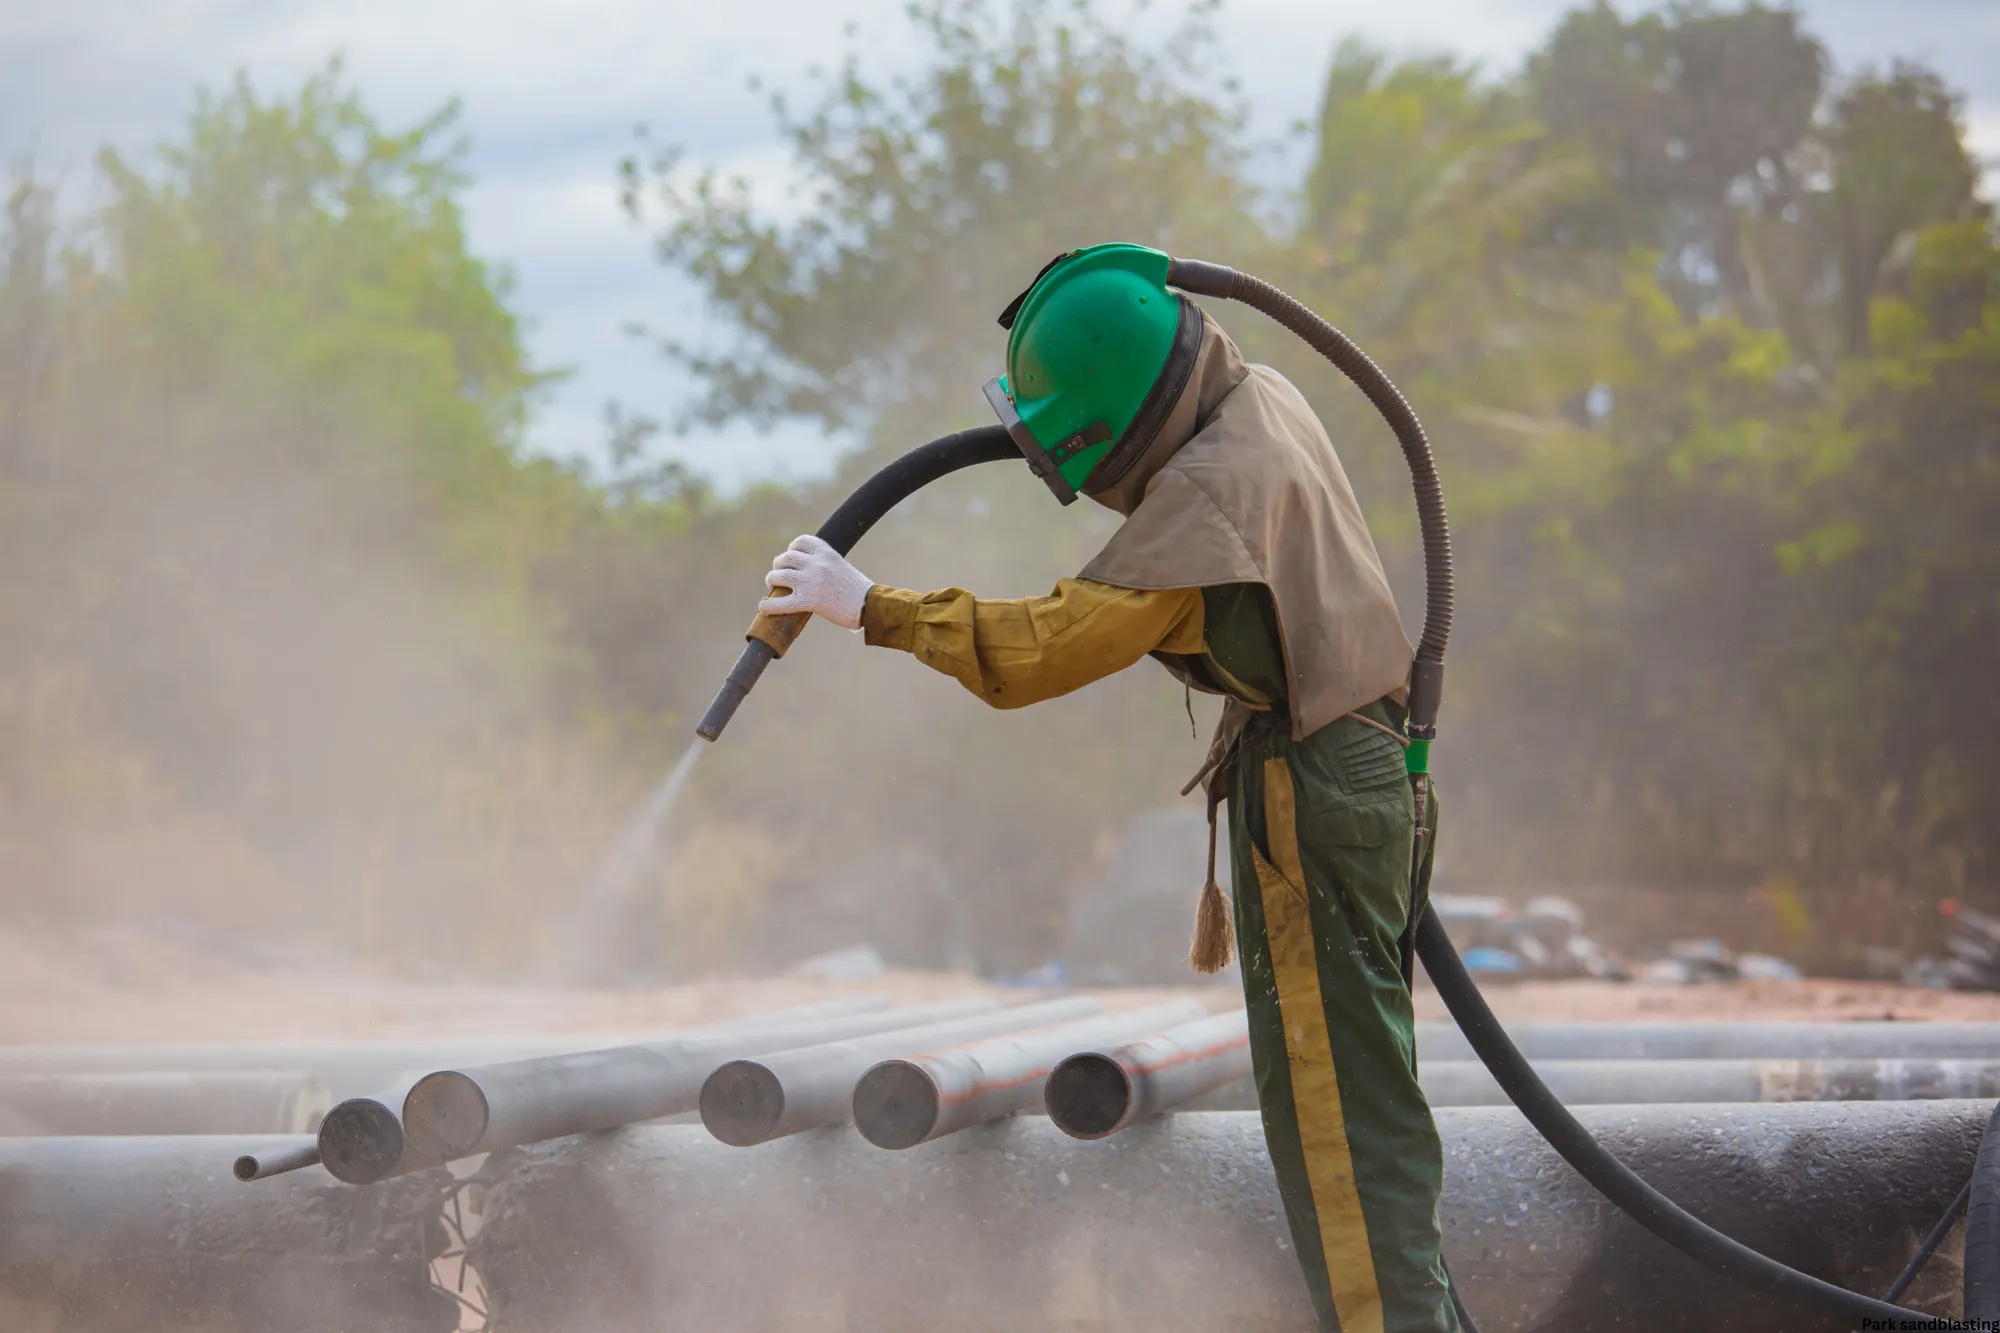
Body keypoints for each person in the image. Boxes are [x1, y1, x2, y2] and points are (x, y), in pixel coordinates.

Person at [757, 243, 1455, 1333]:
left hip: (1315, 788)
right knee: (1365, 1127)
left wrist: (871, 605)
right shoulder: (1255, 399)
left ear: (1115, 421)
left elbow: (1040, 650)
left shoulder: (1202, 510)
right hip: (1369, 764)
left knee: (1343, 1148)